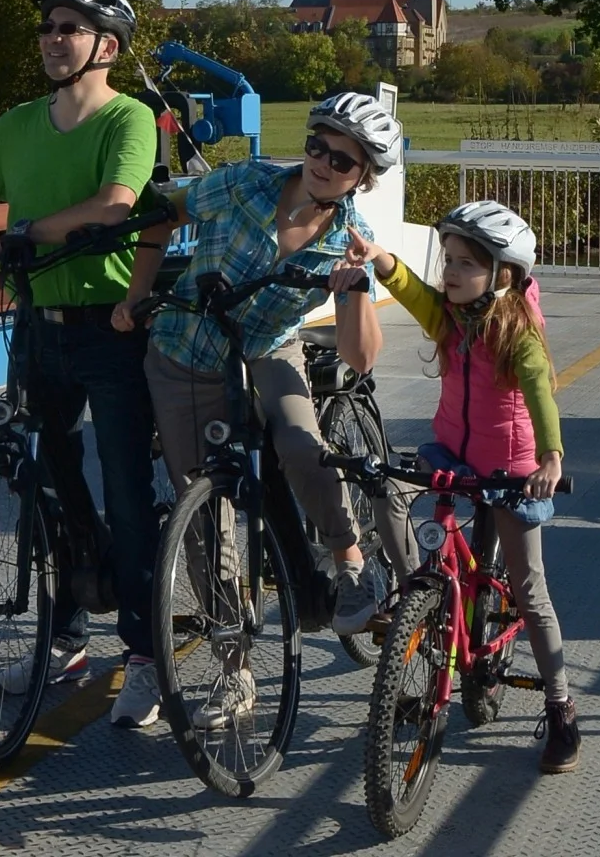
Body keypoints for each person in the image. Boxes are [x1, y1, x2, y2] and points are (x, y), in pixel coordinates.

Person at [0, 0, 167, 728]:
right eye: (49, 27)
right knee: (46, 486)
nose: (53, 38)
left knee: (123, 485)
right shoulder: (18, 123)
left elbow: (116, 203)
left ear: (106, 47)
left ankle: (144, 655)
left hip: (107, 328)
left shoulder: (130, 119)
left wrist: (27, 233)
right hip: (36, 327)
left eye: (71, 28)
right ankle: (65, 636)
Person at [115, 95, 395, 687]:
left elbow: (361, 357)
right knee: (203, 510)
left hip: (268, 348)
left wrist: (356, 290)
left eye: (343, 160)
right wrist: (135, 294)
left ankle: (348, 560)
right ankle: (233, 664)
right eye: (318, 145)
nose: (323, 161)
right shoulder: (247, 181)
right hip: (185, 349)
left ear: (362, 177)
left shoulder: (351, 239)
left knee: (299, 442)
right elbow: (164, 215)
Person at [346, 201, 582, 775]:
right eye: (447, 259)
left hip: (511, 464)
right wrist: (381, 260)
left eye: (465, 264)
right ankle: (417, 601)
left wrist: (550, 456)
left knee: (529, 587)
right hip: (452, 451)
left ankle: (561, 708)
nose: (448, 272)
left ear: (501, 275)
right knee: (388, 491)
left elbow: (540, 396)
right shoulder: (450, 319)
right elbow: (415, 293)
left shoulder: (519, 336)